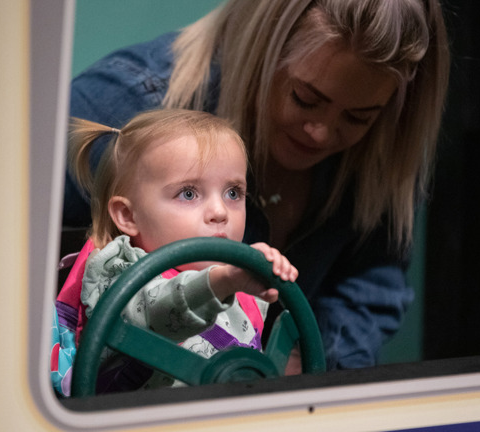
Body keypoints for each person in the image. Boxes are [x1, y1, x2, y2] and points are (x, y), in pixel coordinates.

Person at [64, 0, 450, 370]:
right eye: (304, 99)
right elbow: (145, 310)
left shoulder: (384, 146)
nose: (321, 133)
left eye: (358, 118)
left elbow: (370, 284)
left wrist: (307, 363)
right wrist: (223, 281)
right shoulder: (125, 104)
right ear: (263, 47)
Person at [52, 109, 298, 396]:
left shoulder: (234, 278)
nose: (220, 212)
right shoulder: (117, 274)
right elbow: (160, 309)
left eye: (233, 192)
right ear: (128, 216)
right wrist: (225, 280)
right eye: (189, 194)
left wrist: (261, 276)